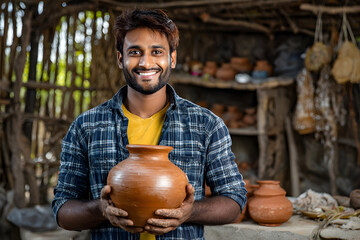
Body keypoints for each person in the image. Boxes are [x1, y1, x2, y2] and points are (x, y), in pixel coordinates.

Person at [52, 9, 247, 240]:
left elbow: (234, 200)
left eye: (157, 52)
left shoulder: (206, 125)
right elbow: (62, 210)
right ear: (120, 58)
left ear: (171, 59)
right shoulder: (87, 126)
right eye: (135, 52)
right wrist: (100, 209)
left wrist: (189, 212)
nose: (146, 63)